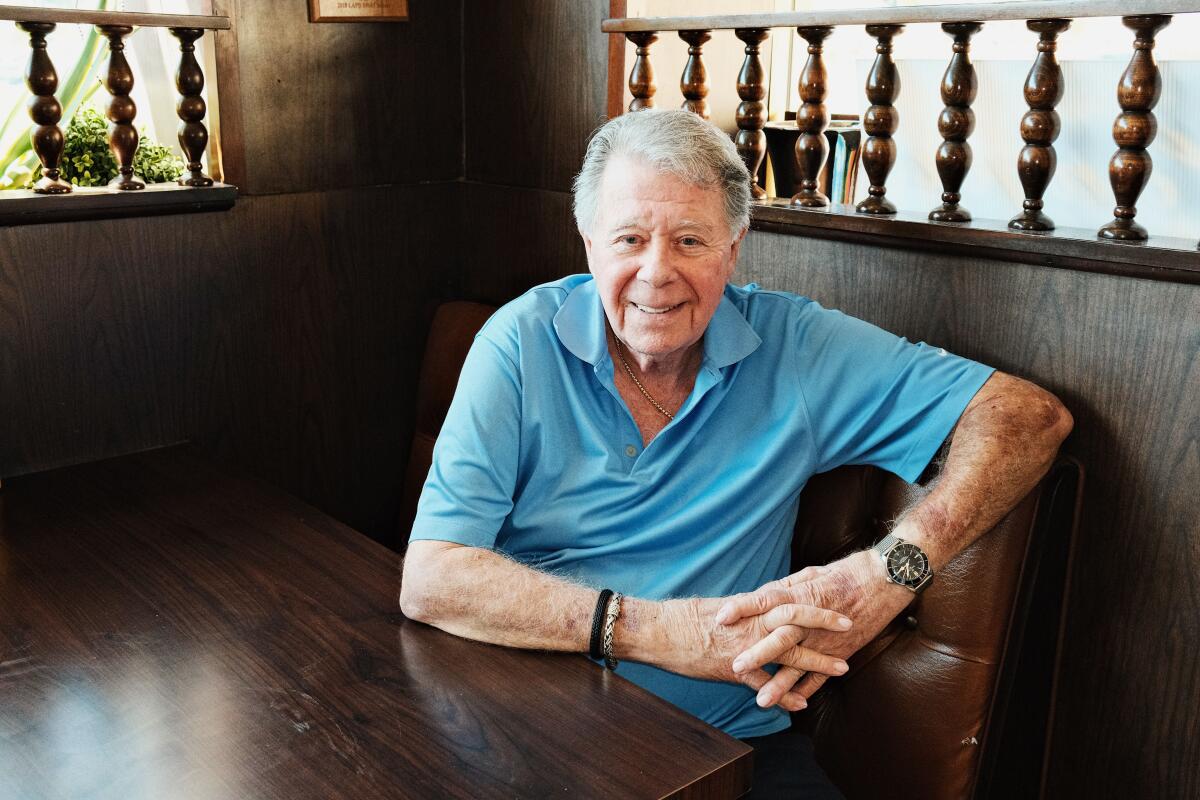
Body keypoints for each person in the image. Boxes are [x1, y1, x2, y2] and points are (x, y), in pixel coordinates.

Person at [400, 109, 1072, 798]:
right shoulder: (518, 343)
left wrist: (890, 573)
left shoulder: (797, 349)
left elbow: (1029, 417)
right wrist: (657, 631)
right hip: (520, 721)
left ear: (734, 248)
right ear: (590, 243)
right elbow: (432, 578)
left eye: (690, 240)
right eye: (630, 238)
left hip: (723, 749)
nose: (656, 273)